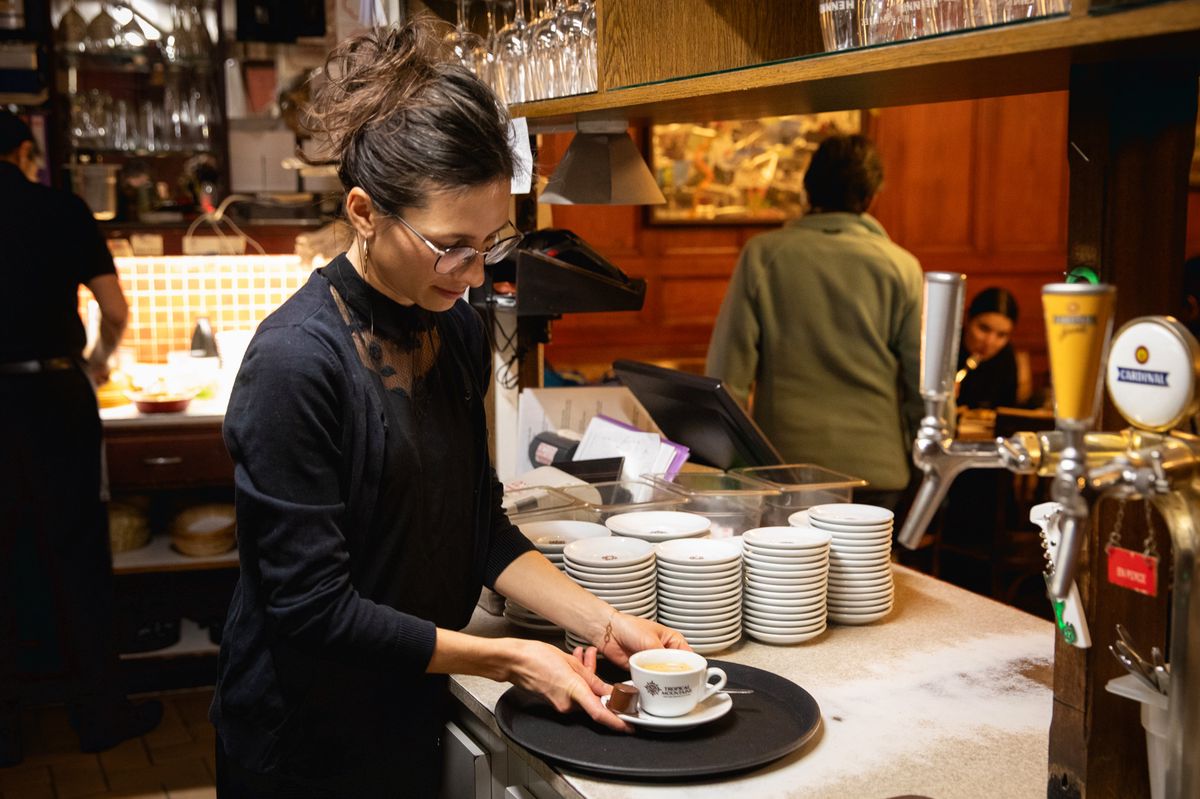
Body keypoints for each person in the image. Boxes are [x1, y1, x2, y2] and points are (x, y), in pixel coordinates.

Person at [210, 20, 688, 797]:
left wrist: (605, 624)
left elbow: (478, 531)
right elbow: (311, 607)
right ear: (364, 212)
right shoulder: (296, 362)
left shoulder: (456, 330)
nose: (471, 273)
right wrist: (508, 656)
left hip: (406, 700)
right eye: (449, 245)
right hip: (300, 735)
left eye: (489, 242)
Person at [0, 110, 161, 766]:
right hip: (52, 397)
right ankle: (100, 713)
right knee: (77, 553)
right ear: (24, 153)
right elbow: (114, 310)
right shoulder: (61, 210)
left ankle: (6, 733)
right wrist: (92, 365)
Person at [705, 133, 923, 512]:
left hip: (786, 468)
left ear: (808, 190)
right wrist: (927, 464)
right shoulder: (902, 267)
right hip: (878, 469)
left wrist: (727, 466)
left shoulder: (764, 255)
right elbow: (922, 382)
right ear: (871, 196)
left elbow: (728, 372)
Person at [955, 287, 1023, 411]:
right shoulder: (948, 348)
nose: (989, 342)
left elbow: (1007, 410)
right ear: (967, 319)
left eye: (1001, 335)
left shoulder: (1006, 357)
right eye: (984, 329)